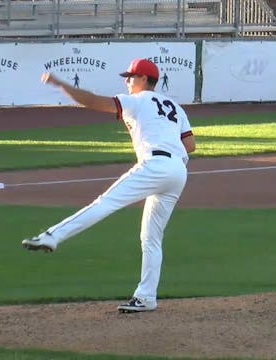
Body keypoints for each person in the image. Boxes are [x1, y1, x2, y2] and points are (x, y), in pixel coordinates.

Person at [22, 58, 196, 313]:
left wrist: (61, 85)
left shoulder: (137, 100)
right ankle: (146, 297)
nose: (127, 81)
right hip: (178, 173)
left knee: (105, 203)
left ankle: (52, 236)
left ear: (145, 80)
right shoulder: (175, 107)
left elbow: (92, 101)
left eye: (131, 77)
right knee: (151, 238)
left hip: (155, 165)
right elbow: (190, 146)